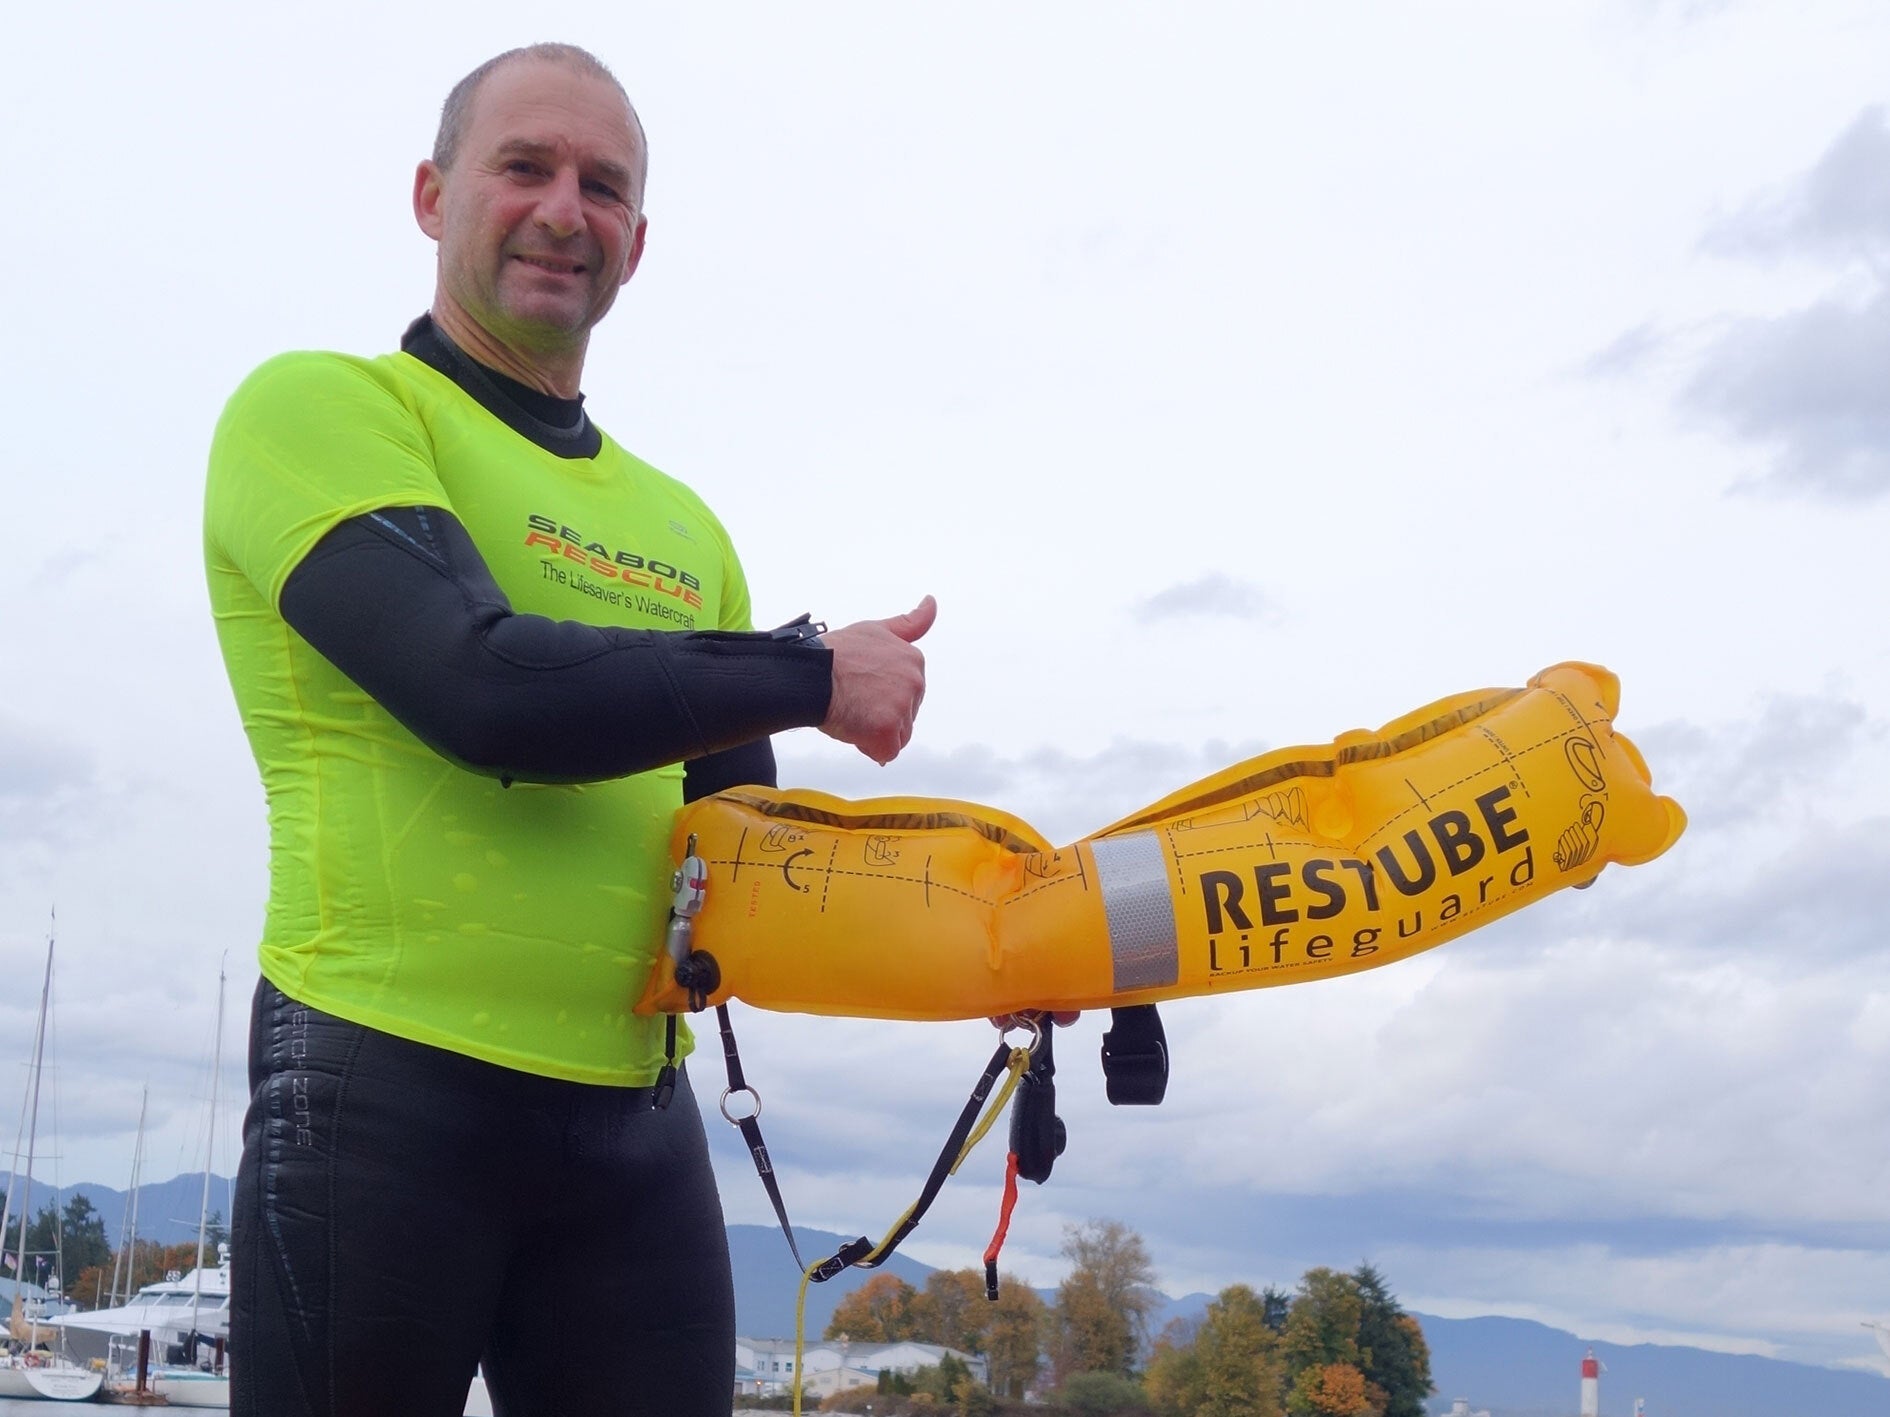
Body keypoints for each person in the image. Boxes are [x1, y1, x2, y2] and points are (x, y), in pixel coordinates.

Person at [204, 43, 932, 1417]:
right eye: (522, 166)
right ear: (431, 195)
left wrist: (1008, 939)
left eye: (602, 186)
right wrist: (805, 668)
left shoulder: (683, 527)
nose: (562, 209)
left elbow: (754, 873)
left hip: (633, 1137)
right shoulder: (321, 410)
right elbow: (484, 690)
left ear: (637, 245)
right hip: (378, 1092)